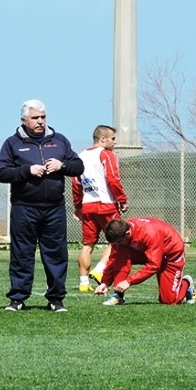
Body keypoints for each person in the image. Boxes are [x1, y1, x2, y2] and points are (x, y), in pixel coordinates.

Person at [0, 99, 84, 312]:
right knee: (21, 254)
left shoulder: (60, 140)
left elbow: (78, 166)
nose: (40, 122)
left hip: (54, 208)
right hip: (23, 207)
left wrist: (61, 165)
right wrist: (27, 170)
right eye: (35, 118)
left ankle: (56, 299)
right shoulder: (12, 143)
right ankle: (17, 299)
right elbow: (2, 173)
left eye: (43, 117)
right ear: (24, 120)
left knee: (56, 254)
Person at [72, 124, 128, 292]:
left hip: (88, 206)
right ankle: (100, 269)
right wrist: (122, 199)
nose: (114, 142)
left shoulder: (80, 156)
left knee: (87, 245)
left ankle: (83, 283)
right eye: (112, 139)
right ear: (102, 139)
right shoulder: (106, 154)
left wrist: (78, 206)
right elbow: (112, 178)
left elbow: (75, 183)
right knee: (117, 240)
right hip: (106, 204)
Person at [93, 217, 196, 305]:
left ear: (128, 233)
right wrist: (105, 283)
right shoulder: (122, 234)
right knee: (121, 251)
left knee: (169, 300)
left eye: (119, 241)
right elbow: (113, 258)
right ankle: (118, 296)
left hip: (171, 255)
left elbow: (154, 265)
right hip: (148, 252)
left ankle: (186, 282)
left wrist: (129, 281)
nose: (117, 244)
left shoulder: (149, 233)